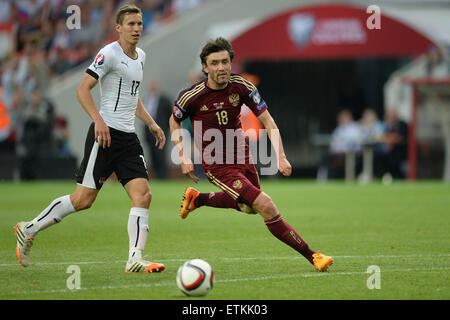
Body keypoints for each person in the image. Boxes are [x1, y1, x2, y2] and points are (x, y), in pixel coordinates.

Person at [14, 4, 166, 274]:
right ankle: (29, 228)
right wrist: (98, 120)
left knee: (143, 195)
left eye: (139, 24)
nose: (136, 29)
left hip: (128, 139)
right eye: (130, 24)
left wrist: (152, 123)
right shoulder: (108, 53)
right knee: (83, 199)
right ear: (118, 27)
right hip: (104, 136)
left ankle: (134, 258)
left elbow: (134, 96)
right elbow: (83, 89)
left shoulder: (140, 55)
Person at [169, 37, 333, 272]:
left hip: (242, 156)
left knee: (248, 207)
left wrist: (281, 156)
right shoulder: (192, 95)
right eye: (214, 63)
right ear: (205, 67)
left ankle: (198, 198)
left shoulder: (242, 86)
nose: (221, 67)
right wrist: (183, 156)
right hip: (217, 164)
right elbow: (173, 122)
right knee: (265, 205)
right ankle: (313, 256)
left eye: (225, 62)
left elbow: (267, 119)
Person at [143, 80, 172, 179]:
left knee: (160, 154)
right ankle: (157, 177)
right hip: (148, 133)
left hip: (161, 131)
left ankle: (163, 177)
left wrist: (166, 129)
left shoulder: (164, 99)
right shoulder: (145, 99)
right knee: (152, 155)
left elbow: (170, 115)